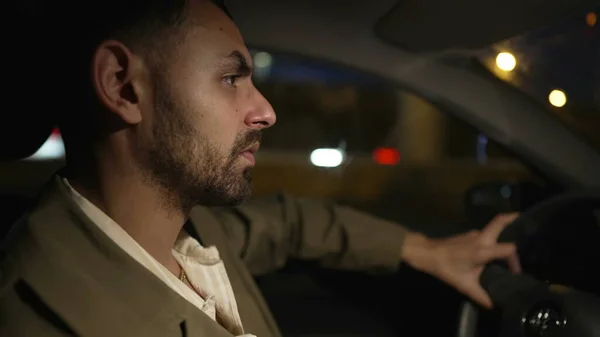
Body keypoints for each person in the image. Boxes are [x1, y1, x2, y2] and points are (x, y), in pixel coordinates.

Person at [0, 1, 520, 336]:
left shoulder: (189, 234)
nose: (266, 111)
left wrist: (429, 250)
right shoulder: (41, 315)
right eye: (231, 78)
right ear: (122, 85)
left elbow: (293, 224)